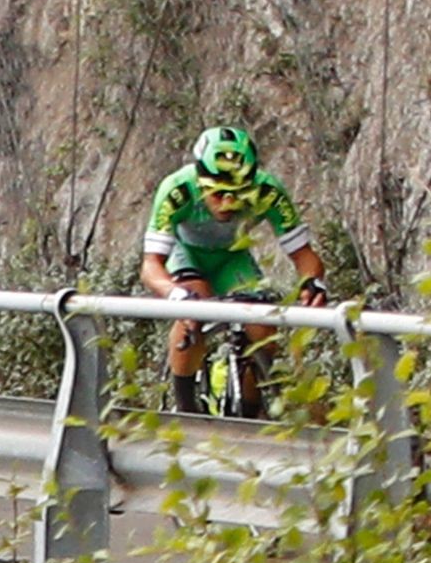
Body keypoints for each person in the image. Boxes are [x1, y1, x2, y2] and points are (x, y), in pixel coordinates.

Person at [138, 119, 333, 416]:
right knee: (194, 311)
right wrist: (174, 294)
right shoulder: (178, 190)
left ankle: (251, 411)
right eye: (217, 194)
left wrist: (313, 283)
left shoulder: (268, 191)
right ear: (200, 183)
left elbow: (305, 256)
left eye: (238, 194)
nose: (228, 204)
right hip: (186, 253)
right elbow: (151, 266)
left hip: (232, 256)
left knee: (263, 325)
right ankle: (185, 405)